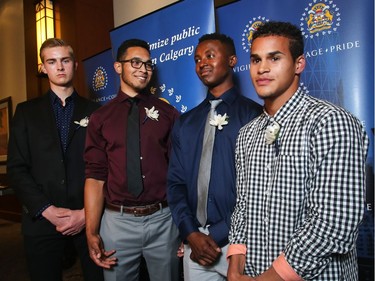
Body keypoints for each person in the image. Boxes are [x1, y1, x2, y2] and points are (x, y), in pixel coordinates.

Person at [227, 21, 369, 281]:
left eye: (275, 58)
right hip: (252, 272)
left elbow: (334, 223)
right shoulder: (246, 134)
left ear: (299, 64)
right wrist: (235, 269)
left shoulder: (330, 122)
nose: (263, 68)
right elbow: (243, 208)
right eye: (256, 60)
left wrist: (268, 279)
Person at [167, 33, 262, 281]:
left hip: (241, 242)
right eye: (197, 59)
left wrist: (216, 233)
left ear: (232, 60)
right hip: (195, 245)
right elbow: (175, 183)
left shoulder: (255, 116)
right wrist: (190, 233)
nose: (202, 64)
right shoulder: (186, 122)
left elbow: (261, 189)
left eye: (210, 55)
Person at [84, 38, 181, 281]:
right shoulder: (100, 118)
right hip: (118, 223)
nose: (143, 69)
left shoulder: (168, 113)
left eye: (148, 65)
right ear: (118, 67)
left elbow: (180, 173)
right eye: (135, 62)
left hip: (164, 221)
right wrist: (91, 231)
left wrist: (185, 227)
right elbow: (95, 178)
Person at [7, 38, 103, 281]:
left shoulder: (97, 112)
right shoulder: (25, 112)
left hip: (89, 219)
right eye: (52, 61)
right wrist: (46, 210)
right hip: (42, 221)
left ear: (75, 65)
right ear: (43, 68)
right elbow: (17, 169)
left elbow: (108, 166)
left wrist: (86, 214)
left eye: (65, 60)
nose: (59, 67)